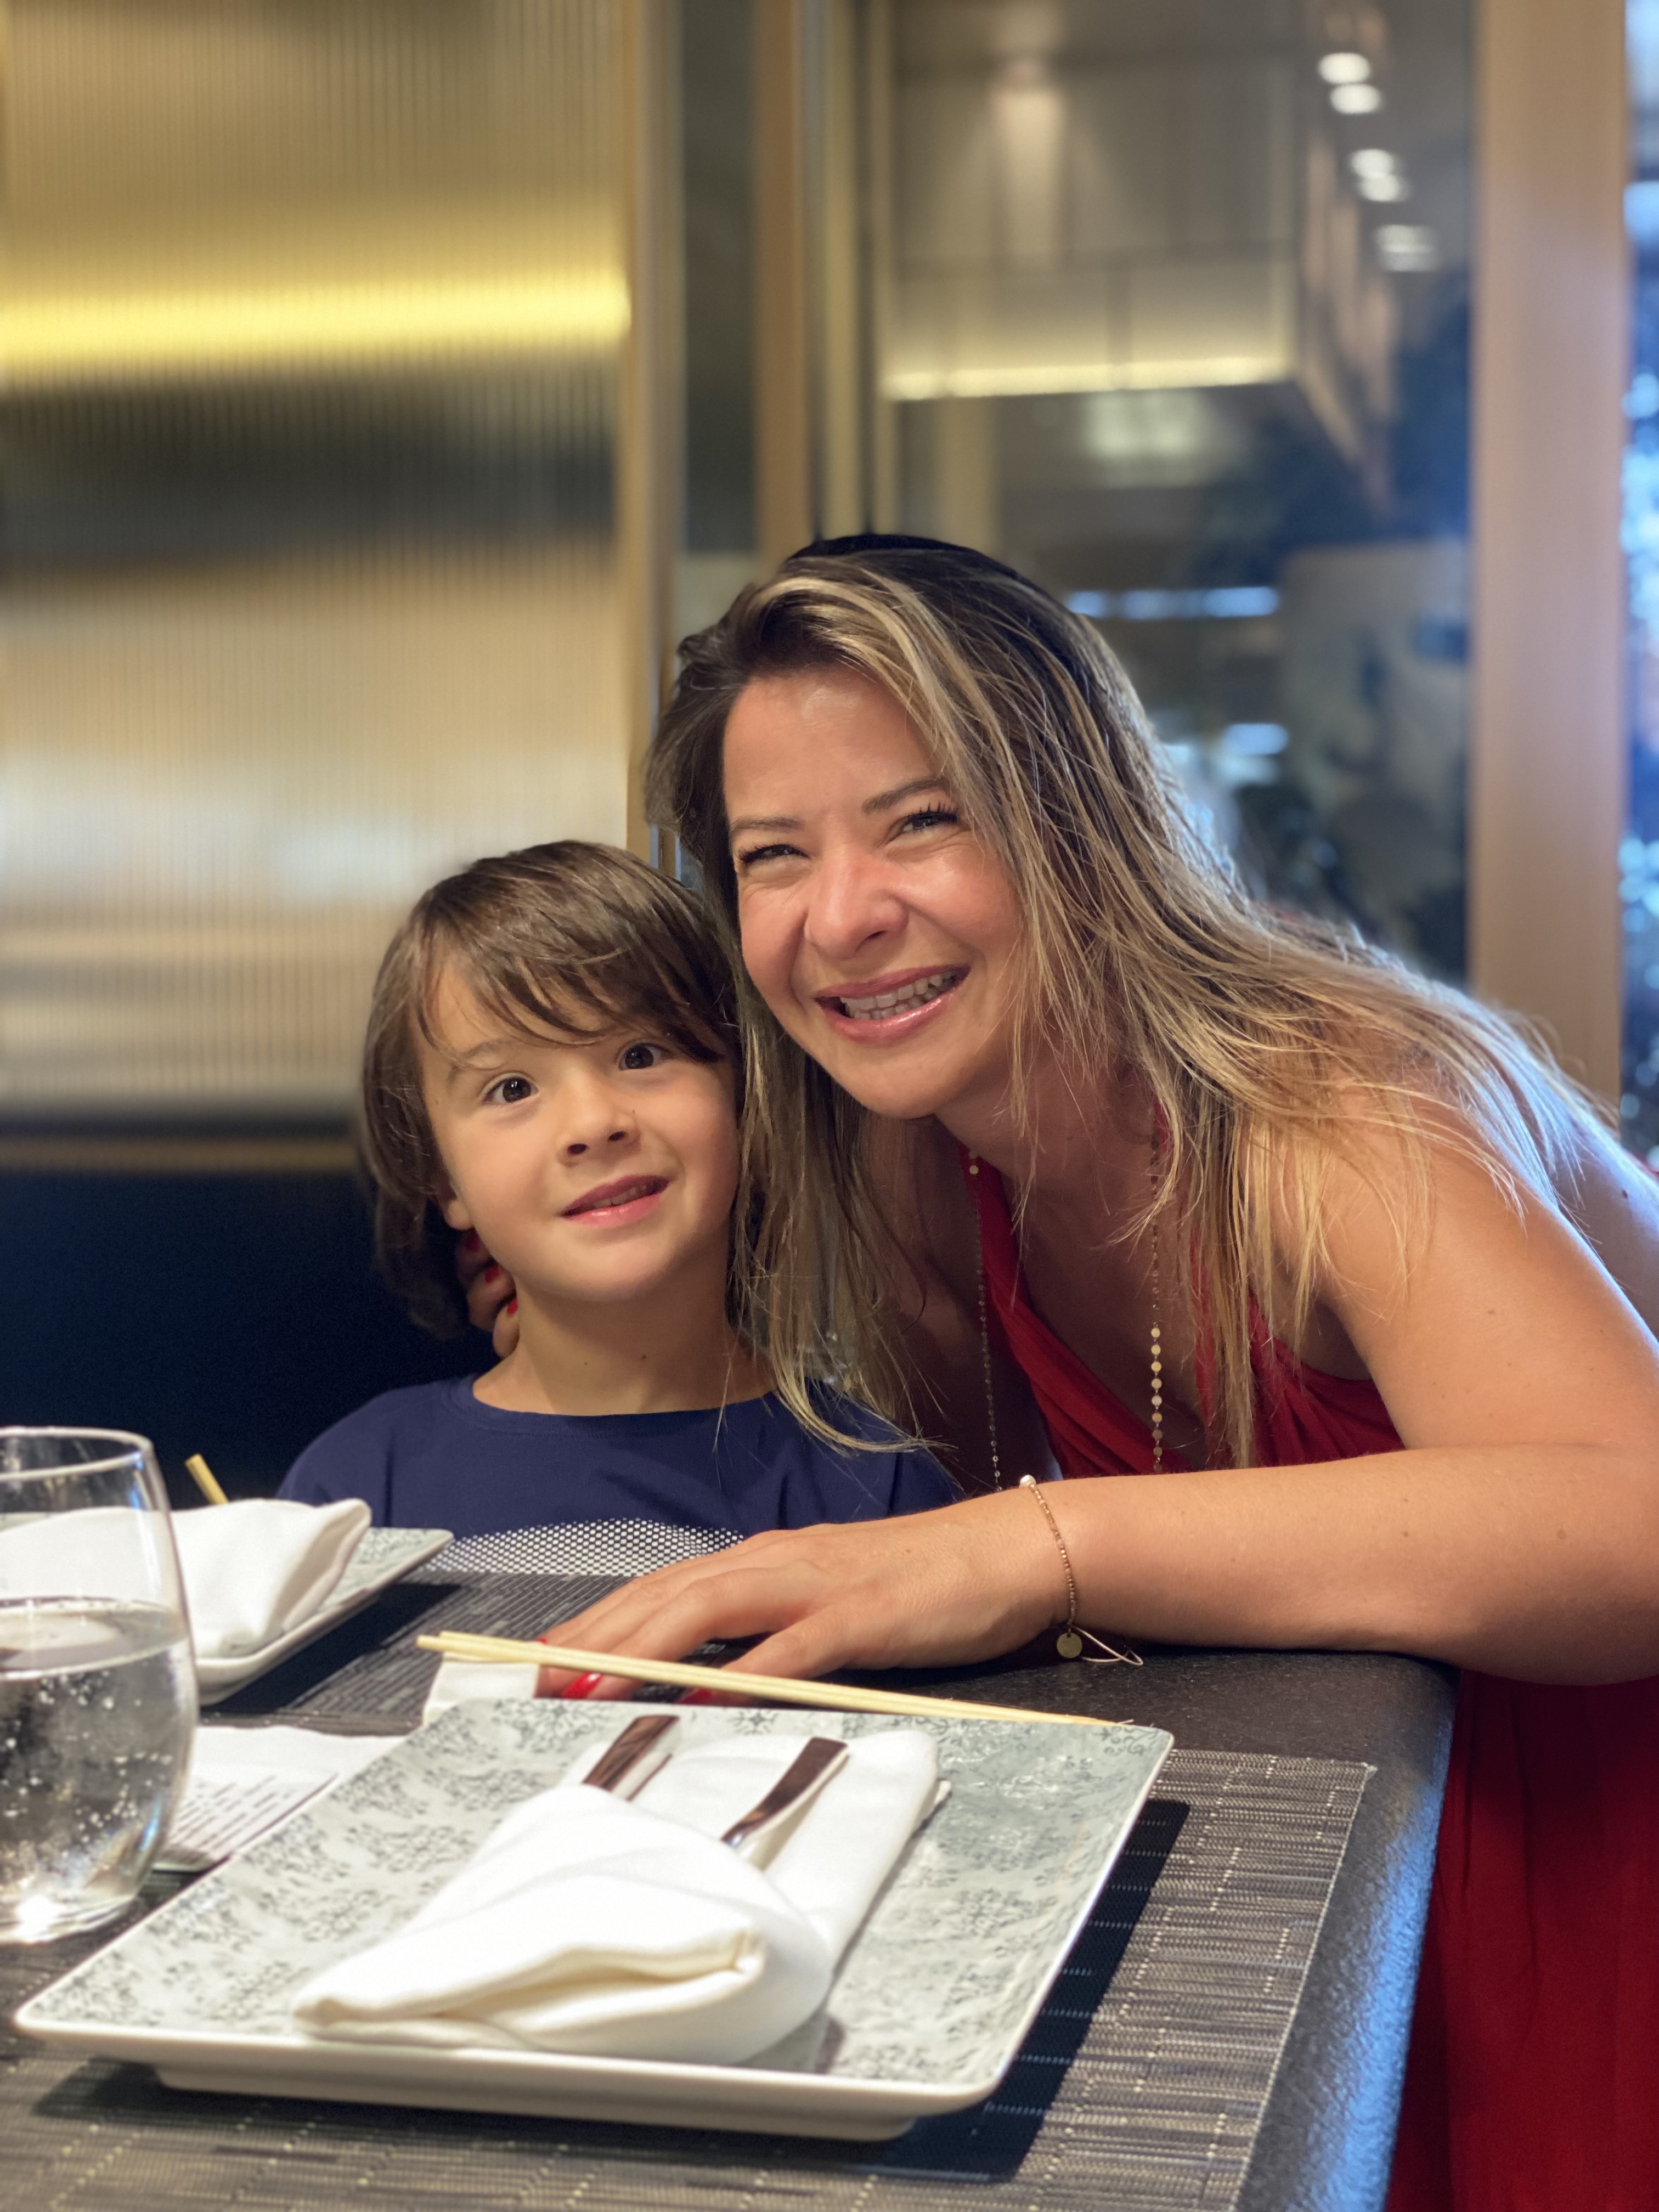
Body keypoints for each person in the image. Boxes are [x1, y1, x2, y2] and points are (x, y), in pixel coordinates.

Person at [467, 539, 1659, 2212]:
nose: (841, 917)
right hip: (1355, 1834)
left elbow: (1633, 1524)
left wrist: (1042, 1544)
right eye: (773, 855)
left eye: (921, 821)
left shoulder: (1340, 1104)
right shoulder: (919, 1158)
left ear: (1082, 815)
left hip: (1600, 1835)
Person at [281, 838, 956, 1564]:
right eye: (512, 1089)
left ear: (743, 1098)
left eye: (641, 1055)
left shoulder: (878, 1493)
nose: (593, 1124)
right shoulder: (355, 1495)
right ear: (443, 1182)